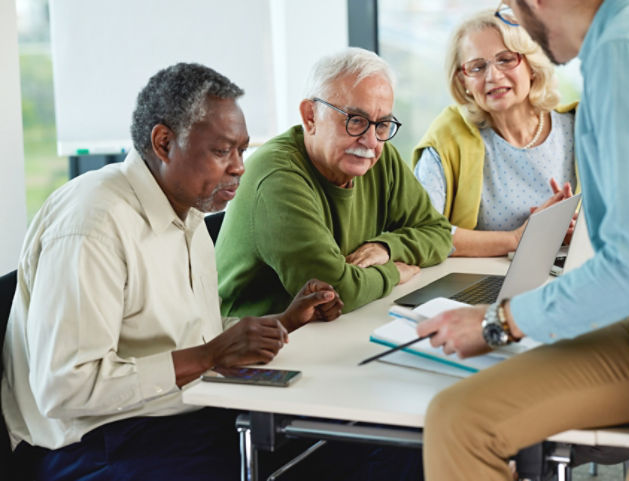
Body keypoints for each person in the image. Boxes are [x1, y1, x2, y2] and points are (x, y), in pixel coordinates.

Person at [418, 1, 629, 480]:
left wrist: (499, 322)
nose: (515, 19)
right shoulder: (623, 43)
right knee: (458, 420)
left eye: (510, 9)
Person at [1, 62, 343, 481]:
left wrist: (282, 322)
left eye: (242, 150)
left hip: (179, 416)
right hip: (90, 446)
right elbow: (65, 389)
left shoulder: (189, 214)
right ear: (164, 143)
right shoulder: (92, 224)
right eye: (222, 151)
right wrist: (210, 355)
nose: (239, 166)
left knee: (352, 447)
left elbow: (186, 337)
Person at [216, 47, 453, 318]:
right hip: (255, 343)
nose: (372, 141)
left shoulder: (378, 157)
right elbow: (334, 292)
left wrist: (387, 248)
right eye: (355, 121)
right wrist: (393, 272)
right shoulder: (276, 177)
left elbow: (439, 233)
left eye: (382, 125)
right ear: (310, 116)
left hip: (332, 328)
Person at [412, 9, 577, 257]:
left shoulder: (577, 128)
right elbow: (421, 231)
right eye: (477, 67)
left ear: (532, 65)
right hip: (478, 285)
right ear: (463, 81)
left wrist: (576, 232)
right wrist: (518, 238)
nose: (493, 76)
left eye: (506, 59)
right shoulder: (447, 137)